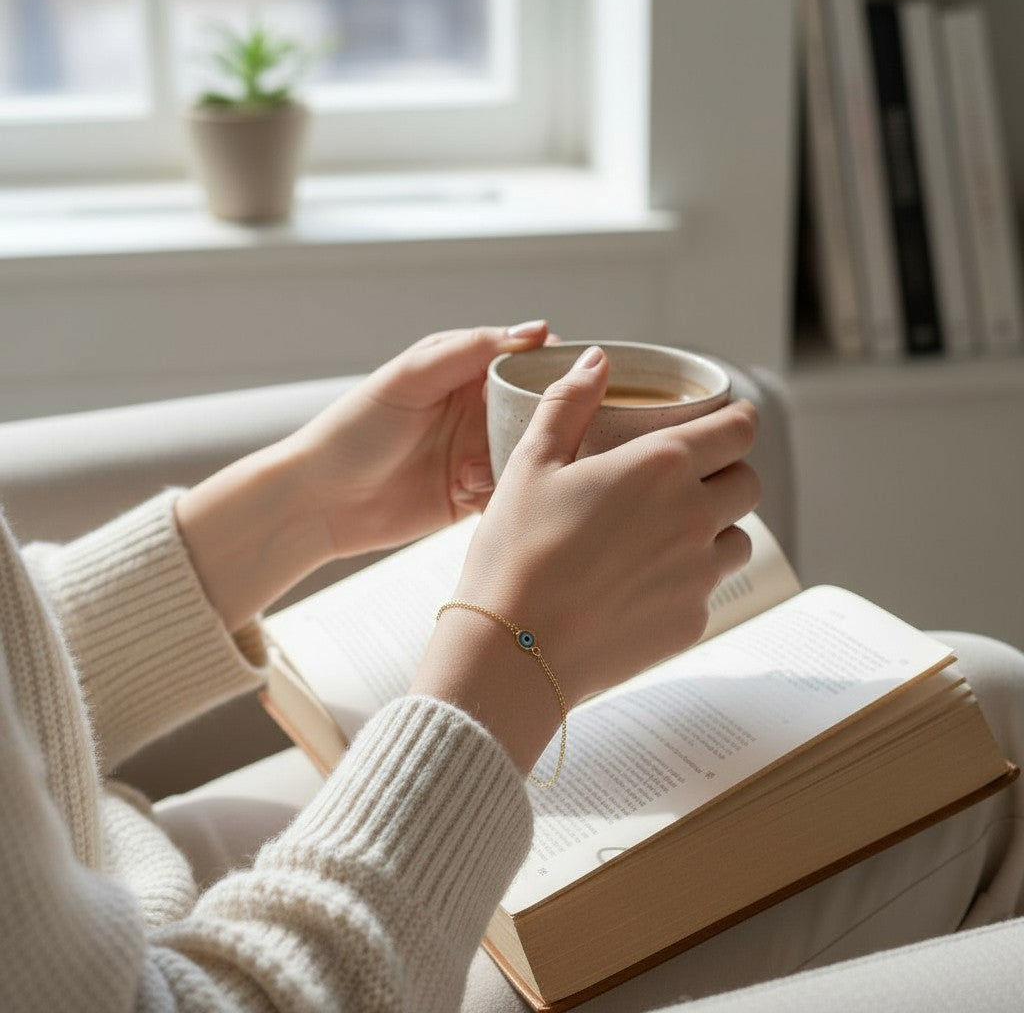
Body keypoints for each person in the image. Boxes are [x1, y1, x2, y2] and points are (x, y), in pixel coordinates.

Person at [0, 324, 1021, 1013]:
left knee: (964, 695)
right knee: (992, 709)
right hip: (263, 970)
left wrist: (303, 508)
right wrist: (516, 656)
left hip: (103, 867)